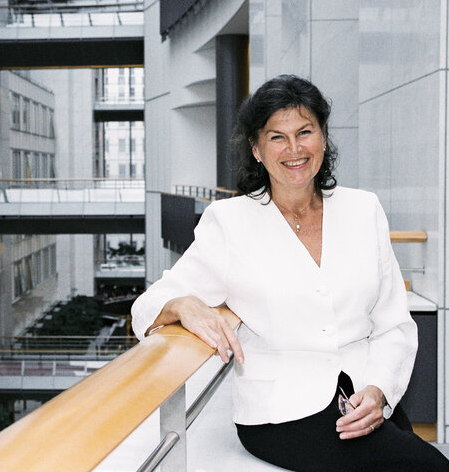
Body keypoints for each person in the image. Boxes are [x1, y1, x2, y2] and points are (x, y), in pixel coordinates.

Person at [130, 75, 449, 471]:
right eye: (277, 137)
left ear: (323, 136)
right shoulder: (229, 222)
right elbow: (147, 306)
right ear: (257, 150)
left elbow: (393, 324)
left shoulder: (363, 209)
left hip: (363, 392)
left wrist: (379, 390)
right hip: (280, 413)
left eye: (304, 132)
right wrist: (183, 304)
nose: (294, 149)